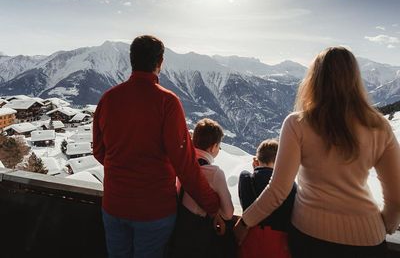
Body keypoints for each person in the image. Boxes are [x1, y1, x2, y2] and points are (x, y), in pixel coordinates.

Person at [234, 46, 400, 258]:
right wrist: (383, 225)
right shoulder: (379, 127)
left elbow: (278, 190)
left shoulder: (298, 123)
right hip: (368, 240)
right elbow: (396, 198)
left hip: (310, 237)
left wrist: (245, 222)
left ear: (315, 79)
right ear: (355, 80)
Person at [93, 35, 220, 258]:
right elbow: (185, 164)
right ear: (160, 62)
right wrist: (212, 205)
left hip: (114, 205)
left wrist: (125, 166)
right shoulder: (167, 102)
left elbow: (99, 151)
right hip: (154, 211)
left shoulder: (108, 99)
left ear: (131, 60)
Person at [169, 118, 235, 258]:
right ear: (213, 147)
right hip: (197, 234)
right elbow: (229, 213)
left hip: (176, 227)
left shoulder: (182, 163)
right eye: (219, 147)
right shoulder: (214, 173)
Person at [238, 139, 296, 258]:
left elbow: (247, 206)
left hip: (252, 241)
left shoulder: (246, 178)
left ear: (257, 159)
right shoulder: (290, 185)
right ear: (279, 161)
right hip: (279, 245)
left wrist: (255, 169)